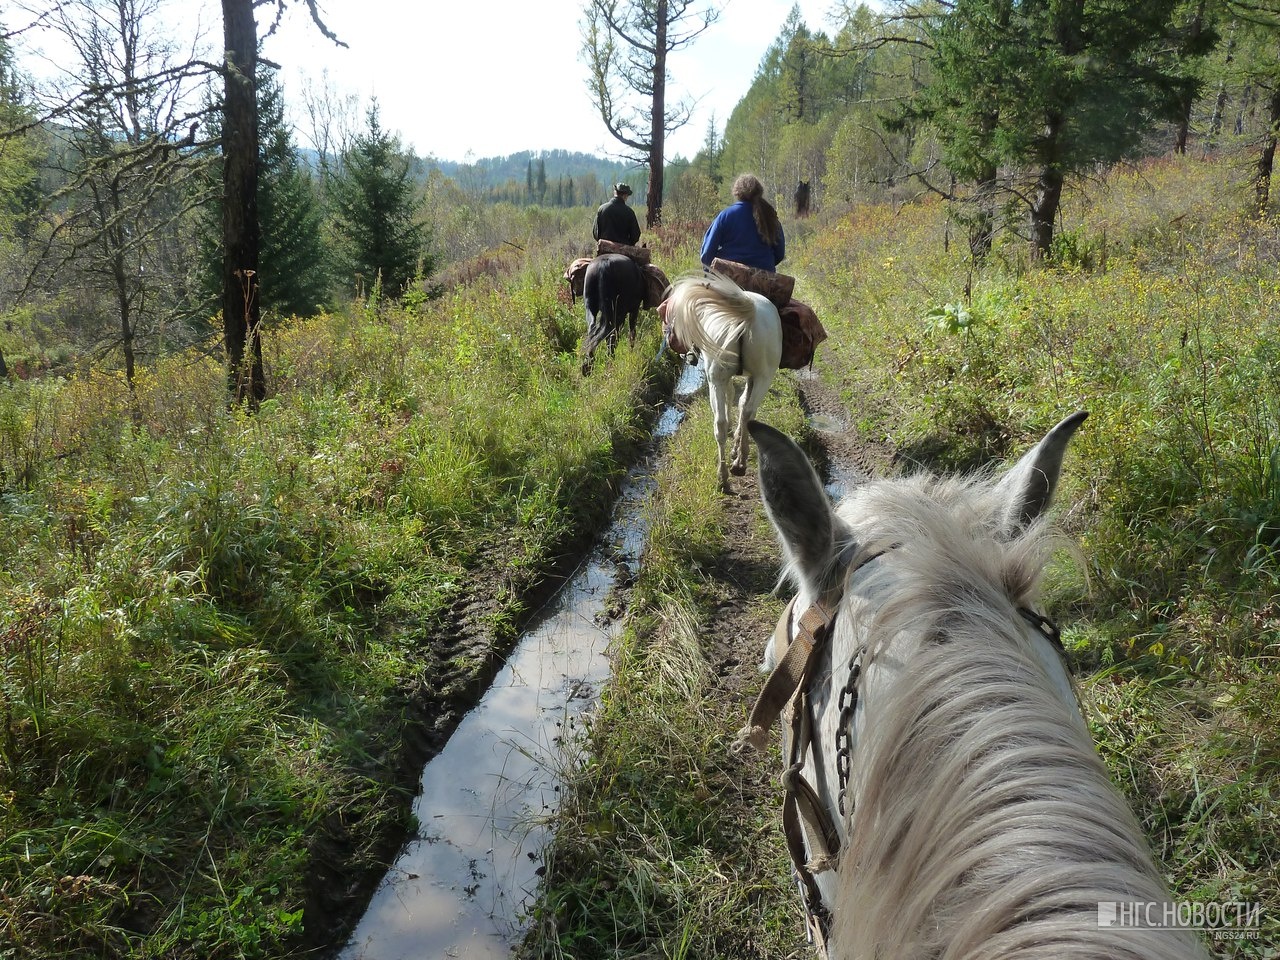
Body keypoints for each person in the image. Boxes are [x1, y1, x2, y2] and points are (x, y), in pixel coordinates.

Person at [700, 173, 785, 272]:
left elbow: (706, 254)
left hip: (729, 278)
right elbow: (780, 254)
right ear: (759, 192)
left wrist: (708, 274)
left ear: (737, 192)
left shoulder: (726, 215)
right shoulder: (770, 217)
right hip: (763, 281)